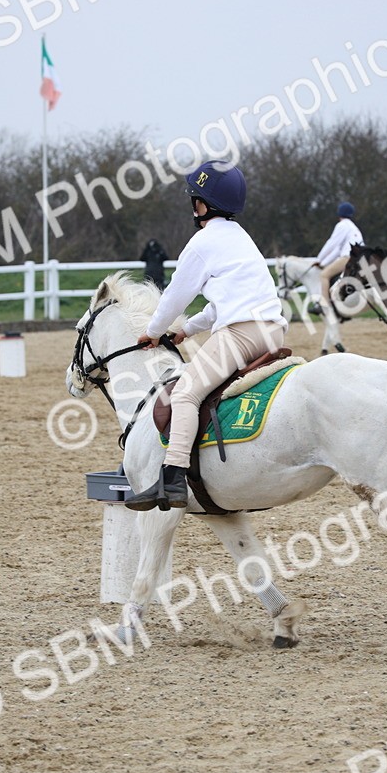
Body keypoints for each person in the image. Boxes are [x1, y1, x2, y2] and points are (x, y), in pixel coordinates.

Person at [123, 160, 288, 511]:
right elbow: (219, 305)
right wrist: (187, 329)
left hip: (240, 335)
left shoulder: (202, 243)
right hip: (272, 331)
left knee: (185, 393)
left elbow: (174, 297)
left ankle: (172, 478)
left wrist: (154, 332)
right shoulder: (241, 238)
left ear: (201, 204)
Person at [315, 202, 364, 313]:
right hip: (359, 257)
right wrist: (323, 263)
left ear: (339, 213)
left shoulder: (342, 225)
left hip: (349, 258)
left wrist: (319, 259)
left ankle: (324, 306)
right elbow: (338, 250)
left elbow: (332, 244)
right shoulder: (353, 227)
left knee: (324, 275)